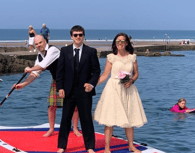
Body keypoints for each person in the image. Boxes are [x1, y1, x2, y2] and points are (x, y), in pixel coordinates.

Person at [13, 35, 82, 137]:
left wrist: (30, 68)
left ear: (45, 41)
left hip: (70, 79)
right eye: (36, 44)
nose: (38, 45)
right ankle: (51, 129)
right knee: (51, 106)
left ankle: (75, 129)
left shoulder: (52, 50)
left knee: (74, 106)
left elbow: (43, 65)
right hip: (57, 80)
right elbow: (35, 73)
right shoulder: (39, 56)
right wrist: (23, 84)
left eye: (40, 42)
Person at [93, 33, 147, 153]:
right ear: (115, 43)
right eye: (118, 41)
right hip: (113, 90)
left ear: (127, 43)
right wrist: (92, 84)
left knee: (130, 119)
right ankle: (107, 148)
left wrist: (132, 81)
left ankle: (131, 146)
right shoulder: (111, 57)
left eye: (122, 41)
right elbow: (105, 75)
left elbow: (136, 74)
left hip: (128, 90)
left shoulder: (132, 57)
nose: (120, 43)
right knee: (109, 120)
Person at [56, 25, 101, 153]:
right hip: (68, 91)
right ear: (71, 36)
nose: (78, 37)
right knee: (65, 119)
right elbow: (60, 72)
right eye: (75, 35)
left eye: (80, 34)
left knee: (86, 119)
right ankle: (62, 146)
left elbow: (96, 71)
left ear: (83, 36)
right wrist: (60, 88)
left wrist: (91, 84)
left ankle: (90, 146)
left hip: (84, 91)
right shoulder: (64, 51)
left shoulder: (91, 52)